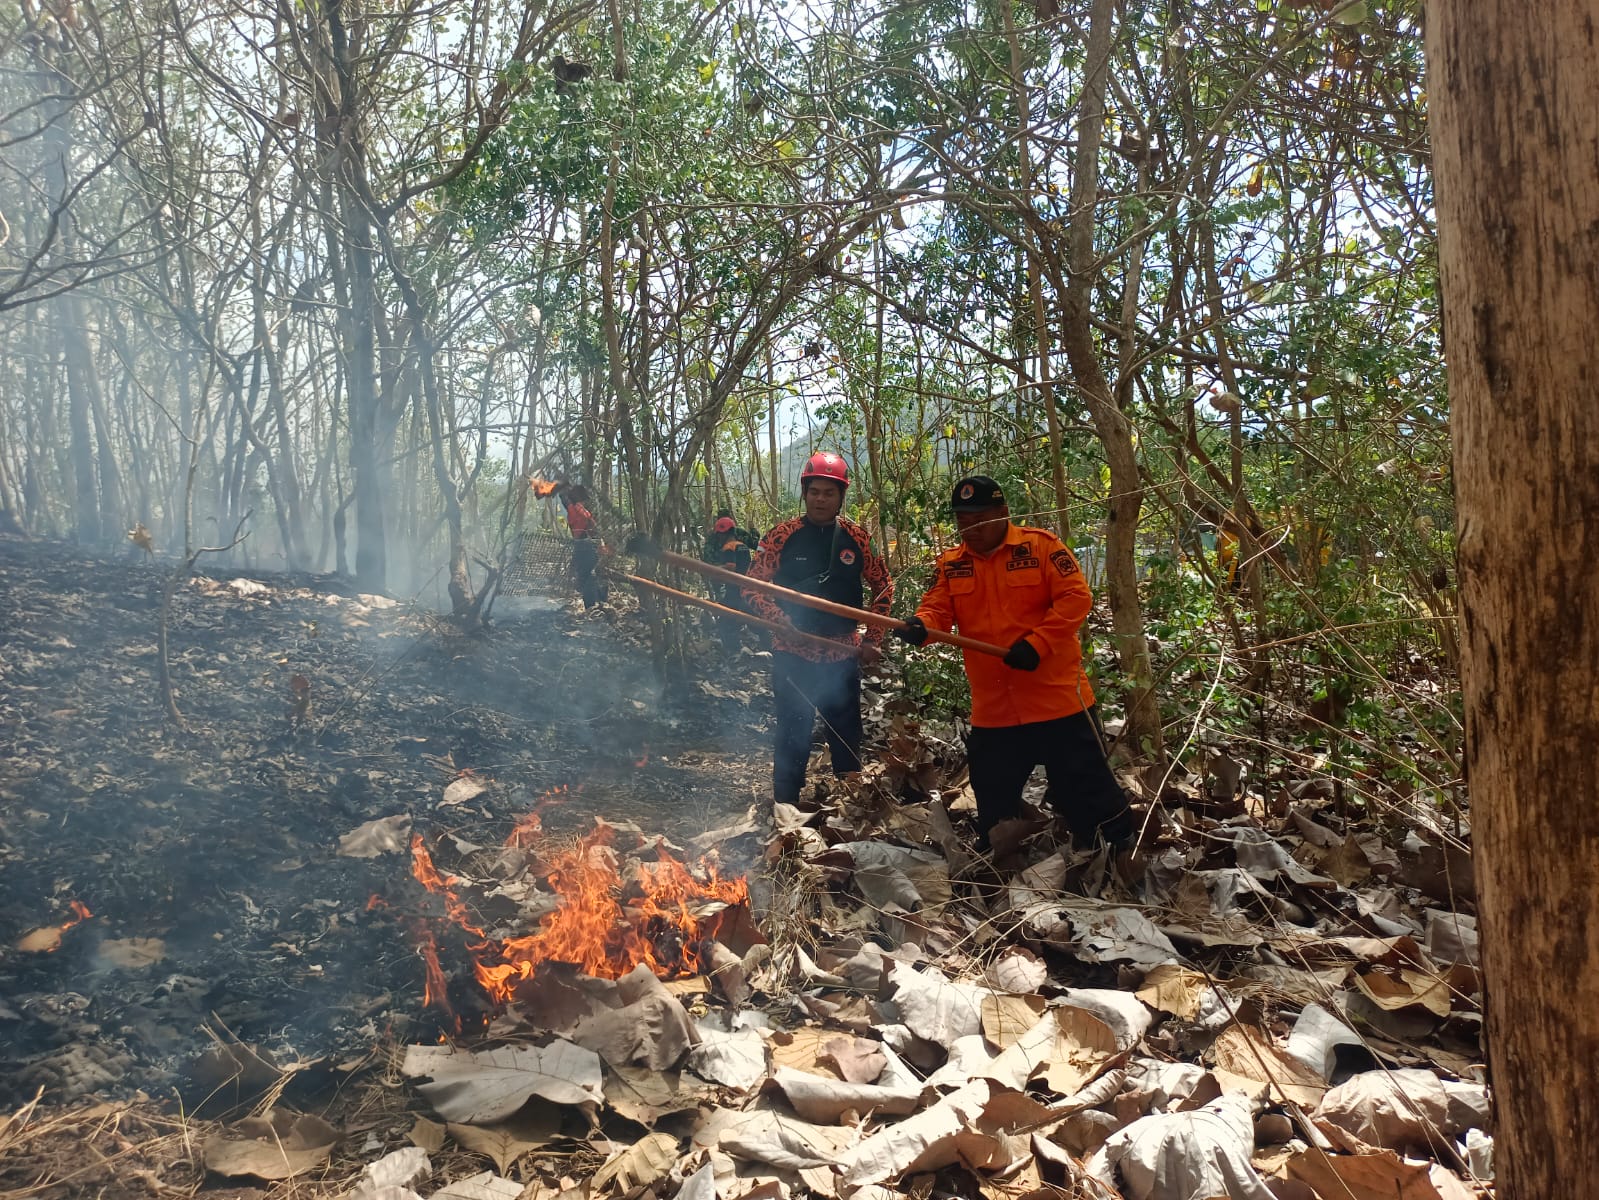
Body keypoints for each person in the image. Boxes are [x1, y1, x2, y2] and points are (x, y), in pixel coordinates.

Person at [896, 475, 1133, 854]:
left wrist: (1037, 644)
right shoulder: (952, 564)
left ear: (1003, 513)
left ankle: (1120, 855)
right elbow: (938, 608)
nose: (969, 529)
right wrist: (921, 626)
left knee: (1086, 790)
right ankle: (998, 870)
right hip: (995, 710)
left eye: (978, 518)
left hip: (1056, 701)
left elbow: (1076, 597)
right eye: (961, 520)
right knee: (992, 796)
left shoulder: (1040, 548)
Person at [745, 452, 894, 807]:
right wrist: (781, 620)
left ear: (841, 497)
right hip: (791, 653)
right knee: (792, 733)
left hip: (842, 653)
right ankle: (786, 809)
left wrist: (873, 639)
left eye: (829, 492)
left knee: (846, 735)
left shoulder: (857, 538)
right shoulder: (781, 536)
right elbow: (752, 585)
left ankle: (851, 806)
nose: (821, 499)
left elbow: (883, 586)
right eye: (814, 491)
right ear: (804, 492)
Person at [703, 510, 760, 652]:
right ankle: (769, 646)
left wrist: (715, 570)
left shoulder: (727, 546)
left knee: (725, 620)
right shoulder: (741, 542)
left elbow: (730, 566)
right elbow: (756, 546)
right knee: (755, 619)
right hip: (747, 587)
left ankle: (734, 652)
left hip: (732, 587)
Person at [557, 483, 609, 610]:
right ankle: (601, 602)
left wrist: (559, 486)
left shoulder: (576, 509)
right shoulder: (583, 510)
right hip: (590, 545)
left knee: (586, 576)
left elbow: (564, 499)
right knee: (595, 574)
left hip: (585, 546)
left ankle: (591, 606)